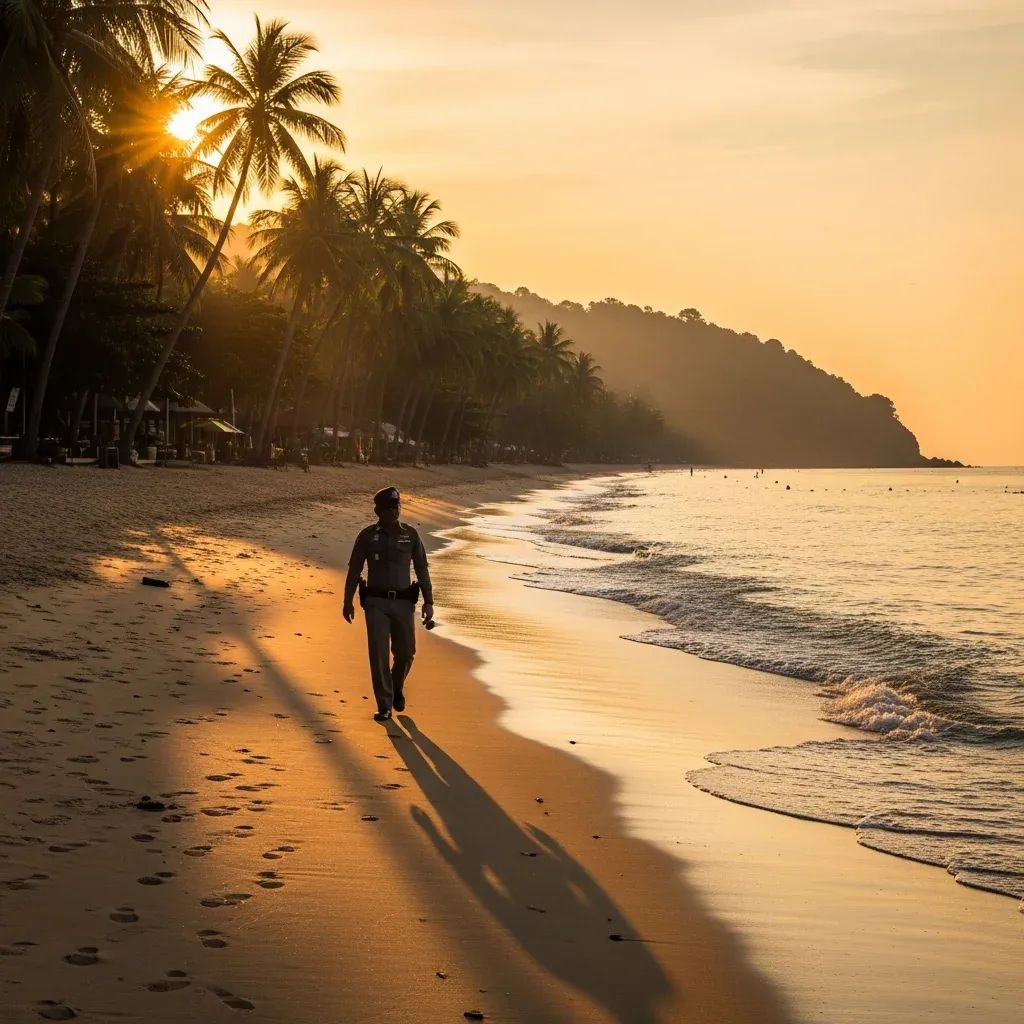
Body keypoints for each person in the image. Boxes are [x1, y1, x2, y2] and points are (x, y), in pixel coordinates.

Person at [343, 486, 434, 721]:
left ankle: (396, 687)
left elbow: (422, 567)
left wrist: (429, 601)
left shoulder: (411, 535)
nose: (394, 512)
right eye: (389, 508)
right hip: (375, 603)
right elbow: (354, 569)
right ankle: (384, 705)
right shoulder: (367, 536)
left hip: (404, 603)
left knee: (406, 653)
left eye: (397, 507)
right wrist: (347, 600)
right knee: (379, 654)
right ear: (378, 510)